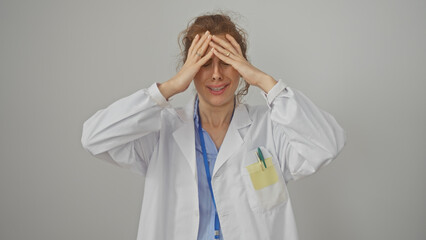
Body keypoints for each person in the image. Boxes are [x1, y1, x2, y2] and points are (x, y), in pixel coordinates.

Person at [81, 12, 346, 240]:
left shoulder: (270, 128)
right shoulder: (162, 129)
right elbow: (94, 137)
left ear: (241, 66)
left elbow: (328, 144)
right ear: (190, 69)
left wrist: (265, 81)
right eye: (205, 63)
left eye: (227, 62)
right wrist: (170, 87)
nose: (217, 73)